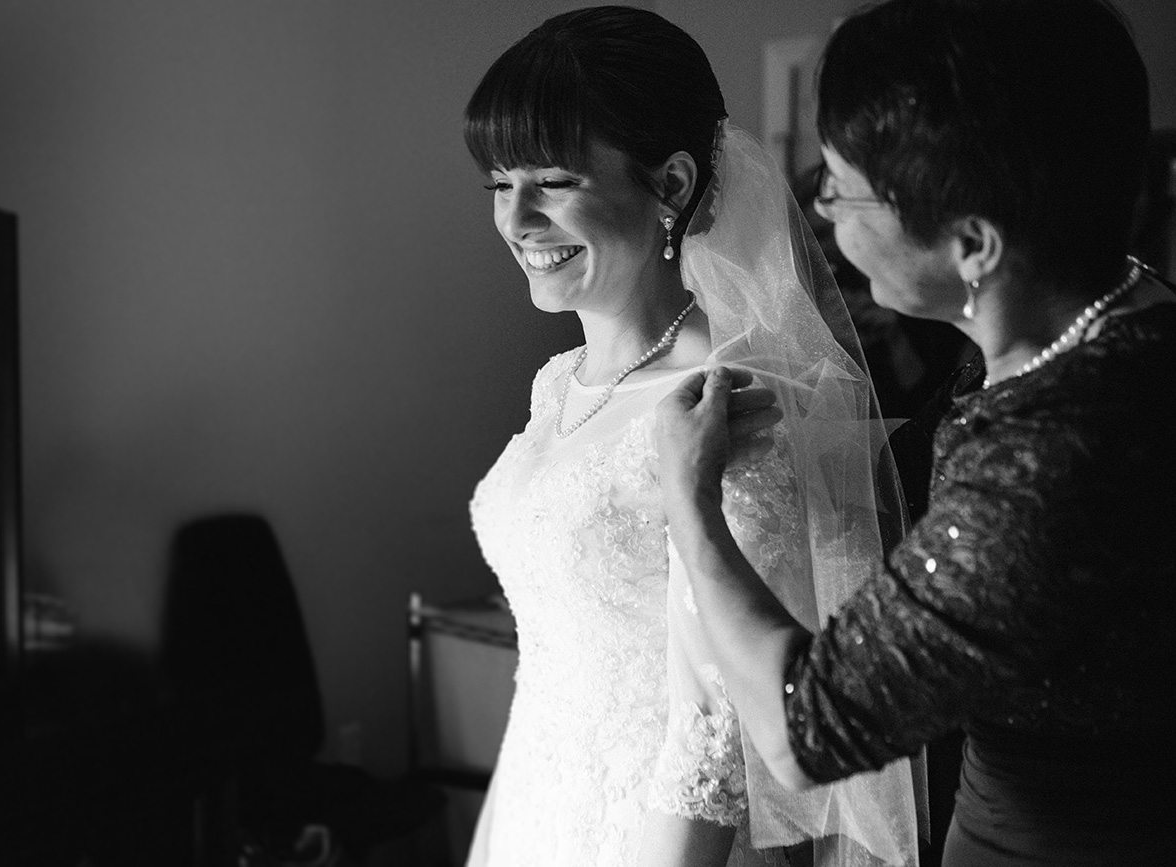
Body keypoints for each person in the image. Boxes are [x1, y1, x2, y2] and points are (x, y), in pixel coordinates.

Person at [654, 1, 1176, 865]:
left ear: (973, 244)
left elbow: (802, 726)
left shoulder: (1044, 457)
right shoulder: (1125, 307)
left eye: (844, 189)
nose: (824, 212)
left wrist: (691, 502)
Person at [463, 7, 923, 866]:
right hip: (539, 801)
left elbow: (718, 734)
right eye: (499, 183)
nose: (517, 218)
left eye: (552, 181)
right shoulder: (560, 383)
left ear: (671, 184)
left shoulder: (729, 402)